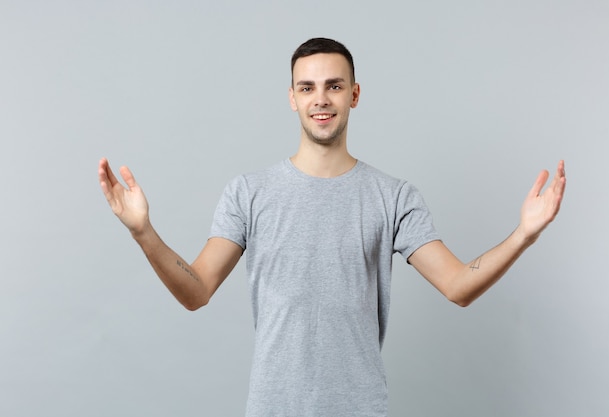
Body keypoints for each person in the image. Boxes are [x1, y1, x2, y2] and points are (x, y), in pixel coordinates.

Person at [98, 38, 566, 417]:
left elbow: (459, 285)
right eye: (307, 88)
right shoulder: (249, 192)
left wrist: (524, 234)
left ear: (355, 94)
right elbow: (196, 290)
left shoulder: (394, 196)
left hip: (360, 408)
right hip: (272, 409)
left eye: (334, 86)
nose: (320, 99)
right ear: (292, 98)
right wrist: (143, 232)